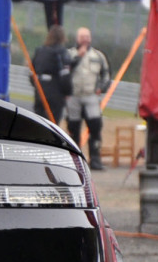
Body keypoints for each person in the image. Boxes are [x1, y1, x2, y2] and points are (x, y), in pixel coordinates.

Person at [66, 26, 112, 170]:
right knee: (73, 129)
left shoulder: (98, 56)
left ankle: (96, 160)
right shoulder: (68, 54)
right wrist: (78, 57)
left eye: (87, 36)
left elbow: (106, 74)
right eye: (82, 37)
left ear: (90, 38)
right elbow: (63, 73)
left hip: (91, 96)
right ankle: (75, 162)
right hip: (73, 97)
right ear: (77, 38)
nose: (85, 39)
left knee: (96, 128)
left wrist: (101, 88)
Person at [31, 24, 73, 125]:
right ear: (62, 37)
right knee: (52, 125)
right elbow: (65, 75)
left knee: (38, 122)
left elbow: (31, 72)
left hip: (40, 91)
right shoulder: (61, 52)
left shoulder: (39, 51)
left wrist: (37, 86)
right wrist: (68, 92)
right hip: (55, 93)